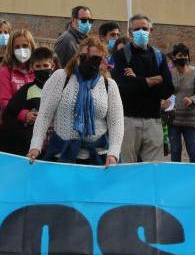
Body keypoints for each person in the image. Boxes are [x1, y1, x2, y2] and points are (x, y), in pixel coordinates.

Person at [27, 35, 124, 165]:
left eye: (95, 59)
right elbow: (44, 115)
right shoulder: (60, 78)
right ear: (78, 57)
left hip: (97, 157)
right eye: (84, 57)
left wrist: (113, 153)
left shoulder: (109, 85)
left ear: (102, 60)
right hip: (61, 154)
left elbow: (116, 123)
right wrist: (35, 146)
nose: (89, 61)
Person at [112, 14, 174, 163]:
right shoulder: (121, 55)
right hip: (128, 121)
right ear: (130, 31)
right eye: (137, 29)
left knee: (157, 168)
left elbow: (168, 89)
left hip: (154, 121)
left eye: (144, 29)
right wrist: (152, 79)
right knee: (128, 169)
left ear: (151, 31)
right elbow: (122, 87)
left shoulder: (159, 56)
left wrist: (137, 80)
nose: (141, 32)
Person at [0, 47, 57, 156]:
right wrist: (25, 117)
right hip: (29, 149)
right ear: (32, 67)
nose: (42, 69)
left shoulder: (59, 90)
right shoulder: (26, 90)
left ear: (52, 66)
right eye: (38, 66)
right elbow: (8, 115)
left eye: (45, 66)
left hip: (53, 150)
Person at [168, 43, 195, 163]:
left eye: (185, 55)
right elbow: (165, 93)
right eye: (180, 55)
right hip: (173, 119)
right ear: (175, 57)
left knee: (193, 151)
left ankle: (194, 177)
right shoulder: (169, 72)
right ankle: (175, 177)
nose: (184, 57)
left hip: (190, 119)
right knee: (175, 151)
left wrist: (192, 100)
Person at [0, 28, 36, 123]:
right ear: (11, 49)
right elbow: (5, 102)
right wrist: (24, 115)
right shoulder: (5, 71)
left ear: (32, 46)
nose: (21, 50)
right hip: (12, 126)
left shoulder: (38, 69)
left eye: (25, 46)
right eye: (17, 47)